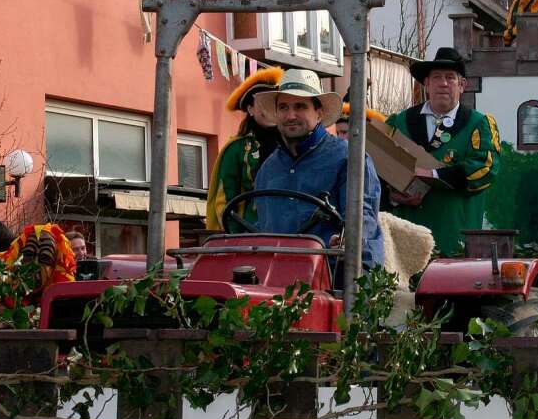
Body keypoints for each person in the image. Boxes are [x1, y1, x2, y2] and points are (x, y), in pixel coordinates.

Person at [252, 69, 383, 270]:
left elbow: (362, 224)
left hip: (329, 276)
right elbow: (259, 229)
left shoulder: (350, 159)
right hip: (273, 278)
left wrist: (346, 241)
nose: (291, 115)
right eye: (284, 107)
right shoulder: (267, 169)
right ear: (276, 114)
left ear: (319, 112)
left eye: (300, 106)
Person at [384, 47, 502, 256]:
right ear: (427, 84)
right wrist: (392, 196)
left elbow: (486, 168)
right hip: (404, 237)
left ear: (462, 85)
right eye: (436, 77)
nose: (443, 83)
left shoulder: (479, 124)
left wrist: (434, 175)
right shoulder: (399, 122)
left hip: (454, 237)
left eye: (450, 77)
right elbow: (375, 170)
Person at [205, 68, 284, 232]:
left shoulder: (295, 143)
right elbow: (225, 199)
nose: (269, 108)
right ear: (250, 108)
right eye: (263, 103)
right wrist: (238, 238)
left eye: (274, 102)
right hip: (251, 234)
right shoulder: (236, 149)